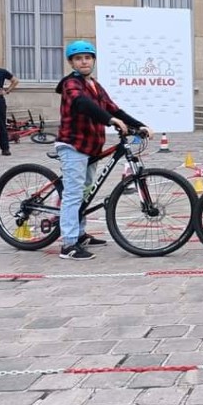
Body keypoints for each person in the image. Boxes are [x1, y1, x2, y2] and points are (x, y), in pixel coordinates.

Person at [55, 41, 151, 261]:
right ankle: (68, 244)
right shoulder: (71, 84)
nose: (84, 61)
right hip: (72, 145)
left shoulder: (95, 85)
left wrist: (141, 125)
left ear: (93, 60)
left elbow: (114, 108)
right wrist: (110, 120)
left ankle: (80, 234)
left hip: (90, 146)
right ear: (71, 62)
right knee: (73, 193)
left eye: (87, 57)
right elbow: (82, 104)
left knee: (86, 190)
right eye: (78, 58)